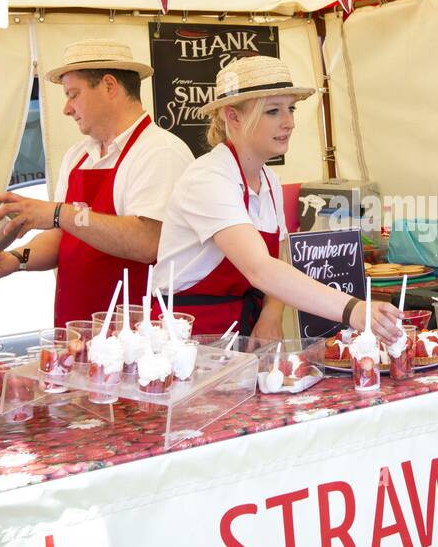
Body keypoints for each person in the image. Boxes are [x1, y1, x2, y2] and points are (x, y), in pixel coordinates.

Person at [152, 55, 400, 344]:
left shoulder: (269, 179)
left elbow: (278, 255)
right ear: (232, 116)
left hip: (243, 329)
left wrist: (271, 313)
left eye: (291, 109)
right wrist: (353, 310)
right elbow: (259, 267)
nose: (289, 123)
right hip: (188, 335)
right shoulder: (207, 179)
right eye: (273, 111)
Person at [0, 40, 194, 326]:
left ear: (109, 86)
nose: (66, 109)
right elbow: (63, 237)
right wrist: (14, 260)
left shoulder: (159, 151)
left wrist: (58, 213)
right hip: (76, 327)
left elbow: (147, 242)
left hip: (135, 337)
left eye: (73, 94)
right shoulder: (79, 155)